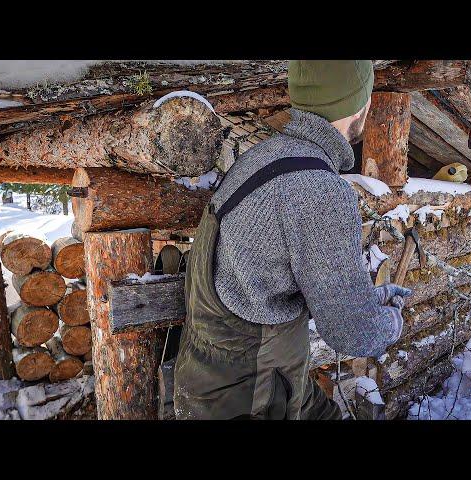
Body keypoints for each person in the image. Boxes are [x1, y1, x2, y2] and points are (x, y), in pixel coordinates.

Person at [174, 60, 411, 420]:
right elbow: (354, 334)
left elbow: (265, 278)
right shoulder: (319, 190)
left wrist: (369, 299)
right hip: (253, 399)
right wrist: (392, 321)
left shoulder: (260, 159)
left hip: (218, 384)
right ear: (358, 104)